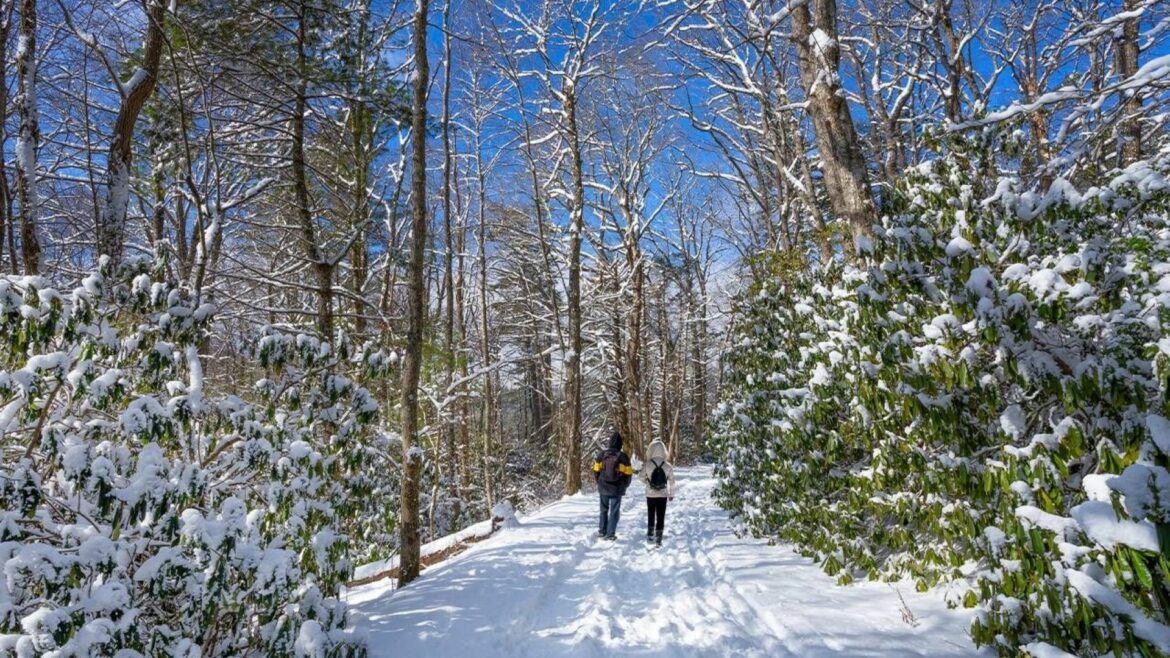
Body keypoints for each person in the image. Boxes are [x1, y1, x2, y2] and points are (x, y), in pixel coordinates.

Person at [592, 431, 633, 540]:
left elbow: (596, 471)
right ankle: (610, 534)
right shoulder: (623, 457)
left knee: (603, 510)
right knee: (614, 511)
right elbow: (628, 474)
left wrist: (599, 482)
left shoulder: (601, 455)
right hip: (617, 488)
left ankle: (602, 531)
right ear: (620, 444)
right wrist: (625, 486)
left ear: (610, 442)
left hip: (603, 487)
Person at [640, 439, 675, 546]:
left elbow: (640, 477)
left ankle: (650, 533)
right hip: (663, 494)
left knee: (651, 512)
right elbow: (672, 481)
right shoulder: (668, 465)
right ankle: (659, 535)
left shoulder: (648, 464)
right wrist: (671, 494)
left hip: (650, 494)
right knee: (661, 514)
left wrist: (647, 482)